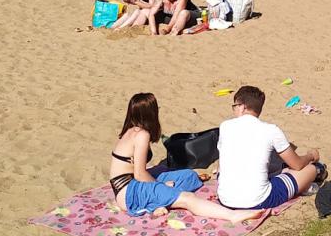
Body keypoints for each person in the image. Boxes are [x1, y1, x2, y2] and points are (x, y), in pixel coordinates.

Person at [109, 93, 262, 222]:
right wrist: (159, 185)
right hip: (129, 193)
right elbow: (140, 174)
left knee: (189, 176)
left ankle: (160, 201)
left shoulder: (132, 131)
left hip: (129, 185)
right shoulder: (141, 135)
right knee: (187, 198)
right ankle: (232, 215)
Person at [217, 86, 325, 210]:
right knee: (311, 169)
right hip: (259, 201)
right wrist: (311, 155)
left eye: (234, 107)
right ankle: (309, 178)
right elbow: (297, 165)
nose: (234, 110)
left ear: (242, 107)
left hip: (225, 198)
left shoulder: (225, 126)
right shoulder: (271, 130)